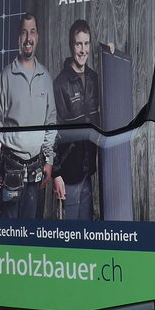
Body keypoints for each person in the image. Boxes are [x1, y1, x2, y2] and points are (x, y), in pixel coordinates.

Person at [0, 13, 57, 218]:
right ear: (19, 38)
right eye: (24, 32)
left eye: (32, 32)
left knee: (31, 231)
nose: (28, 38)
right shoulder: (6, 76)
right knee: (10, 231)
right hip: (10, 169)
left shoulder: (45, 78)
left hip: (36, 170)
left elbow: (51, 123)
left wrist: (49, 160)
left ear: (37, 37)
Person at [52, 19, 101, 220]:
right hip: (68, 174)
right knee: (69, 233)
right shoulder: (60, 83)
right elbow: (52, 130)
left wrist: (113, 54)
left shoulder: (95, 79)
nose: (83, 50)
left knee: (86, 230)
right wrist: (56, 173)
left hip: (87, 171)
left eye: (86, 43)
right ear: (71, 45)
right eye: (78, 44)